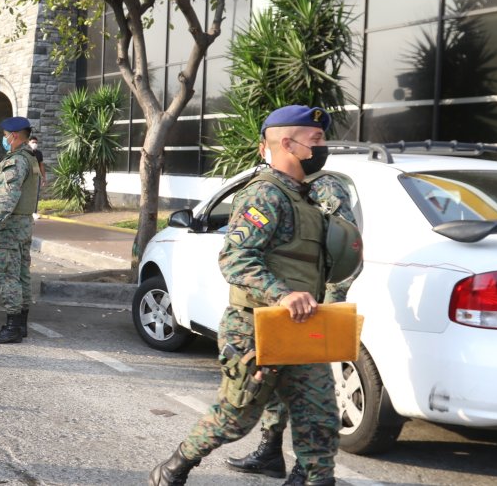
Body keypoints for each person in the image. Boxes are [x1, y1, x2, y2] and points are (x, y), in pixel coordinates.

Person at [149, 105, 349, 486]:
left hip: (303, 329)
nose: (323, 146)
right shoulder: (263, 196)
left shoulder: (308, 199)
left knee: (320, 421)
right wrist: (283, 295)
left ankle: (316, 479)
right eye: (316, 140)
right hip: (257, 327)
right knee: (235, 417)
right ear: (289, 144)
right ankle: (174, 467)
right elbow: (236, 258)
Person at [224, 141, 360, 479]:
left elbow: (341, 245)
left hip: (312, 299)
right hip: (290, 298)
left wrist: (327, 297)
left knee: (309, 390)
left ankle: (306, 466)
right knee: (277, 372)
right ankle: (271, 450)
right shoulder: (278, 186)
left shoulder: (323, 185)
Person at [0, 116, 40, 344]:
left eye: (6, 135)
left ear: (15, 136)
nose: (5, 139)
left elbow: (7, 197)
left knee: (6, 275)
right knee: (21, 275)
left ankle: (12, 328)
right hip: (24, 224)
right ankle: (21, 325)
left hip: (11, 225)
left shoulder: (16, 162)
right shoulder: (30, 158)